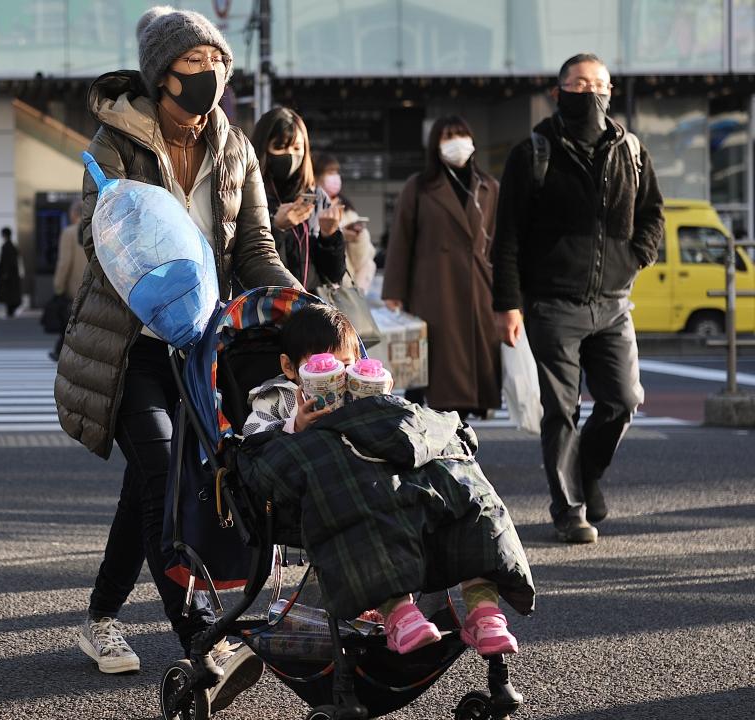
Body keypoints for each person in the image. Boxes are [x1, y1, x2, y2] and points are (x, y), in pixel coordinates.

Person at [53, 6, 299, 707]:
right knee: (163, 477)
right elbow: (100, 245)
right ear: (163, 76)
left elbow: (255, 250)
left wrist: (303, 307)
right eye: (195, 66)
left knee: (146, 493)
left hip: (202, 348)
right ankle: (203, 641)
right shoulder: (112, 147)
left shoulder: (234, 147)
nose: (210, 78)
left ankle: (100, 619)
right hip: (130, 344)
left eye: (217, 65)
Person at [241, 303, 521, 656]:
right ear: (289, 367)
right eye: (320, 366)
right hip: (337, 486)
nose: (337, 375)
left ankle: (484, 612)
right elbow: (254, 442)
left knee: (461, 489)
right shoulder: (276, 396)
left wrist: (385, 400)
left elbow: (403, 433)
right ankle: (398, 612)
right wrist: (296, 426)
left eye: (344, 365)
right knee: (367, 510)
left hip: (389, 475)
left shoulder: (363, 387)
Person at [492, 54, 664, 544]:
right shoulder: (534, 152)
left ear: (610, 90)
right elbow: (507, 237)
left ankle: (586, 474)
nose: (590, 93)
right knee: (561, 410)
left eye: (598, 84)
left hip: (613, 303)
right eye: (579, 84)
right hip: (552, 304)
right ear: (559, 91)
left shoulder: (630, 149)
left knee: (623, 401)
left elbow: (654, 212)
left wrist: (634, 257)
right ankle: (568, 509)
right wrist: (508, 303)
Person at [382, 116, 501, 418]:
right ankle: (436, 438)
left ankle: (458, 441)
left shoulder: (489, 187)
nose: (456, 141)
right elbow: (401, 241)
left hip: (480, 289)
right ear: (435, 143)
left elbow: (502, 242)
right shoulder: (419, 187)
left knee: (469, 372)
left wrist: (510, 296)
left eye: (461, 134)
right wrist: (394, 290)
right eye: (448, 136)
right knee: (434, 373)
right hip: (434, 290)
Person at [251, 108, 345, 293]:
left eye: (296, 148)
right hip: (265, 308)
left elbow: (334, 275)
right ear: (263, 149)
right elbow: (247, 264)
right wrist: (276, 227)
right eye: (280, 147)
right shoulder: (250, 195)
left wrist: (329, 236)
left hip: (310, 308)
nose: (290, 155)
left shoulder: (316, 198)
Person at [315, 155, 375, 292]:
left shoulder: (348, 212)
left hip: (346, 291)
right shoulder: (307, 209)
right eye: (330, 173)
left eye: (337, 173)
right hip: (319, 288)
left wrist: (357, 238)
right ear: (315, 176)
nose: (335, 178)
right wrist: (338, 235)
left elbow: (362, 261)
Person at [48, 199, 86, 362]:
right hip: (96, 288)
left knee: (70, 322)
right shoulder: (99, 229)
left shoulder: (70, 232)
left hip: (75, 288)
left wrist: (58, 287)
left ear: (73, 214)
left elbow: (65, 263)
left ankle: (62, 351)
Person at [0, 226, 24, 318]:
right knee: (12, 294)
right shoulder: (13, 245)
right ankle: (11, 309)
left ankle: (10, 309)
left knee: (9, 294)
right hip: (13, 274)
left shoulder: (7, 246)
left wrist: (5, 273)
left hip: (8, 275)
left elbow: (7, 261)